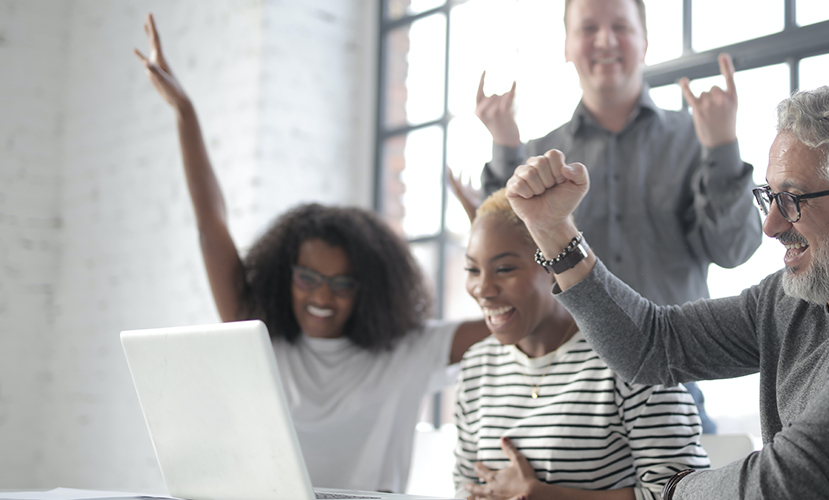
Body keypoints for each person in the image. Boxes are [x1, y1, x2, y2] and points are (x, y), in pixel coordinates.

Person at [503, 82, 829, 499]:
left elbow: (788, 483)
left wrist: (675, 490)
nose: (771, 225)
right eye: (769, 196)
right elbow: (652, 346)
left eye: (793, 199)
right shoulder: (796, 298)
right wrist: (553, 232)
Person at [133, 14, 488, 493]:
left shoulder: (408, 352)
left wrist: (486, 223)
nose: (323, 296)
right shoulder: (260, 342)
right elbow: (211, 225)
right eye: (308, 278)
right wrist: (186, 113)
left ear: (368, 291)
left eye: (342, 284)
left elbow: (512, 314)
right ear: (286, 275)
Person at [475, 0, 761, 432]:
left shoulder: (694, 137)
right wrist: (505, 150)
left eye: (621, 27)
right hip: (566, 392)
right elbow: (502, 258)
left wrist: (722, 147)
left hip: (672, 385)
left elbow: (734, 250)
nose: (606, 40)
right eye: (588, 28)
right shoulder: (540, 156)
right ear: (567, 46)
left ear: (644, 42)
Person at [454, 189, 708, 500]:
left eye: (504, 269)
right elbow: (466, 486)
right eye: (472, 269)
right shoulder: (477, 365)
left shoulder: (631, 354)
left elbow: (683, 494)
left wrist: (547, 496)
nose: (482, 288)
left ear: (551, 265)